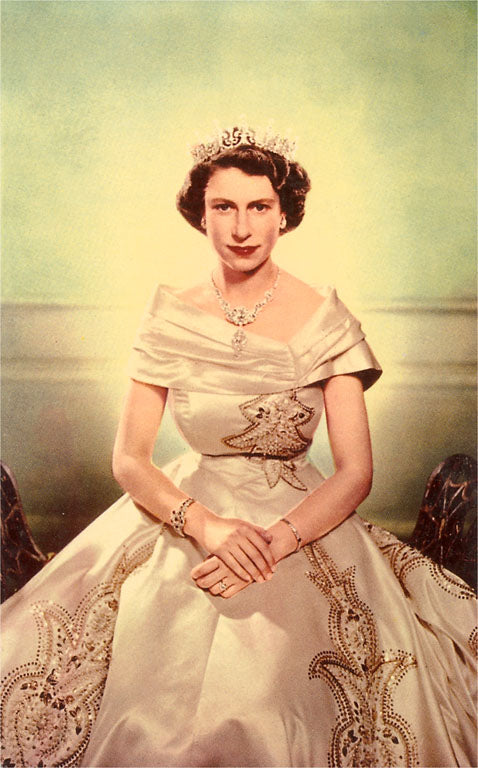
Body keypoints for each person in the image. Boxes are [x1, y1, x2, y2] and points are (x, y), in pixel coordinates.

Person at [1, 125, 476, 768]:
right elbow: (129, 459)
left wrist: (269, 545)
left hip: (301, 522)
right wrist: (206, 526)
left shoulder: (326, 319)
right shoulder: (169, 314)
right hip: (186, 510)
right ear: (201, 215)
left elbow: (355, 472)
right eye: (224, 206)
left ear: (285, 215)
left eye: (259, 207)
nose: (242, 227)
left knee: (274, 690)